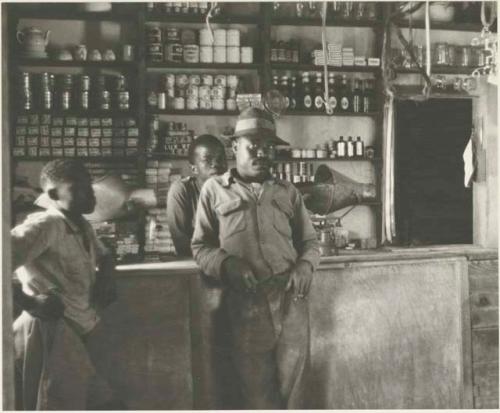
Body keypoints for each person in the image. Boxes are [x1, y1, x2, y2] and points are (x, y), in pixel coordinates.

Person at [191, 107, 320, 409]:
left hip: (291, 300)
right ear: (235, 147)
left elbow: (311, 243)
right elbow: (200, 247)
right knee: (255, 393)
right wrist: (226, 264)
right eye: (253, 146)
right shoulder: (213, 190)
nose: (261, 153)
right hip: (246, 302)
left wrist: (305, 265)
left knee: (297, 391)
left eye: (267, 147)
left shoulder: (288, 191)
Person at [11, 159, 123, 410]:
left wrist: (107, 272)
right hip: (53, 334)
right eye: (79, 188)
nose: (90, 194)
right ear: (53, 194)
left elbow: (104, 254)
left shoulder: (81, 224)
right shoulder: (45, 225)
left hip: (82, 331)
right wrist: (29, 302)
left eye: (90, 187)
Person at [166, 134, 227, 257]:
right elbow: (182, 245)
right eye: (207, 159)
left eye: (220, 158)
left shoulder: (235, 189)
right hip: (196, 267)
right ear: (194, 168)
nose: (215, 164)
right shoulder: (182, 190)